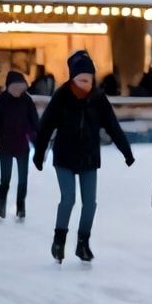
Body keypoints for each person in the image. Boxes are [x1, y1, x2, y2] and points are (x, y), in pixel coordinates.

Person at [34, 51, 133, 264]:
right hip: (64, 156)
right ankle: (59, 240)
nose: (86, 84)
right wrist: (39, 153)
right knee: (68, 199)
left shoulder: (98, 98)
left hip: (89, 157)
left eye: (89, 80)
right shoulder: (61, 96)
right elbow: (45, 126)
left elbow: (113, 126)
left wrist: (126, 151)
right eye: (81, 80)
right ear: (72, 78)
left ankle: (82, 242)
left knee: (90, 203)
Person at [0, 70, 40, 220]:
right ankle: (2, 201)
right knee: (6, 178)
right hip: (5, 146)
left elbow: (34, 124)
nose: (17, 90)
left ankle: (21, 206)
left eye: (20, 87)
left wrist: (39, 143)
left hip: (22, 147)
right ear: (9, 87)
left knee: (23, 179)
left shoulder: (27, 101)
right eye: (14, 87)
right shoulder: (2, 101)